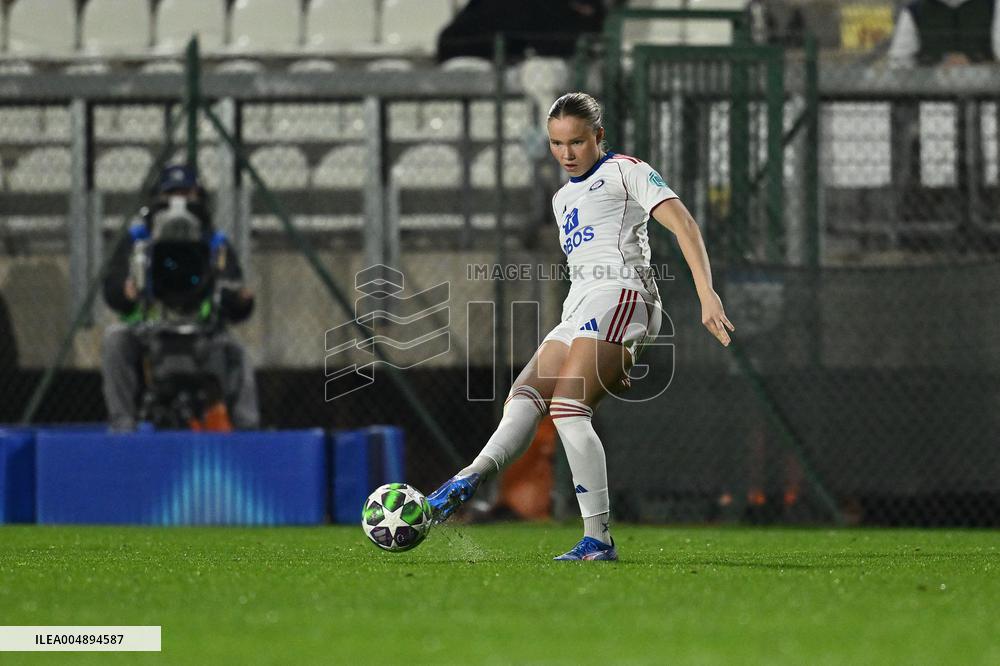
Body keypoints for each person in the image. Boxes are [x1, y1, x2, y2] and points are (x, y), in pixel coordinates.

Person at [427, 93, 734, 560]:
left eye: (576, 142)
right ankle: (467, 479)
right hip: (580, 309)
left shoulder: (626, 171)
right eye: (556, 144)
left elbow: (685, 224)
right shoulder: (561, 198)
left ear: (598, 137)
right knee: (524, 398)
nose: (566, 154)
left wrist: (705, 293)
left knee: (569, 409)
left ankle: (598, 538)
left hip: (624, 296)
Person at [101, 164, 259, 431]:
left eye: (187, 193)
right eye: (172, 193)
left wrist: (242, 300)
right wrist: (127, 291)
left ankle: (247, 431)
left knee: (237, 352)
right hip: (149, 331)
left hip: (203, 332)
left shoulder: (216, 244)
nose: (179, 201)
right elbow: (112, 290)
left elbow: (234, 296)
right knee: (115, 340)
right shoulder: (135, 240)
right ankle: (123, 429)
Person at [888, 0, 1000, 67]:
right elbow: (899, 62)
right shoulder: (914, 11)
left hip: (986, 95)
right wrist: (936, 67)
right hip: (929, 95)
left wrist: (974, 65)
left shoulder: (993, 6)